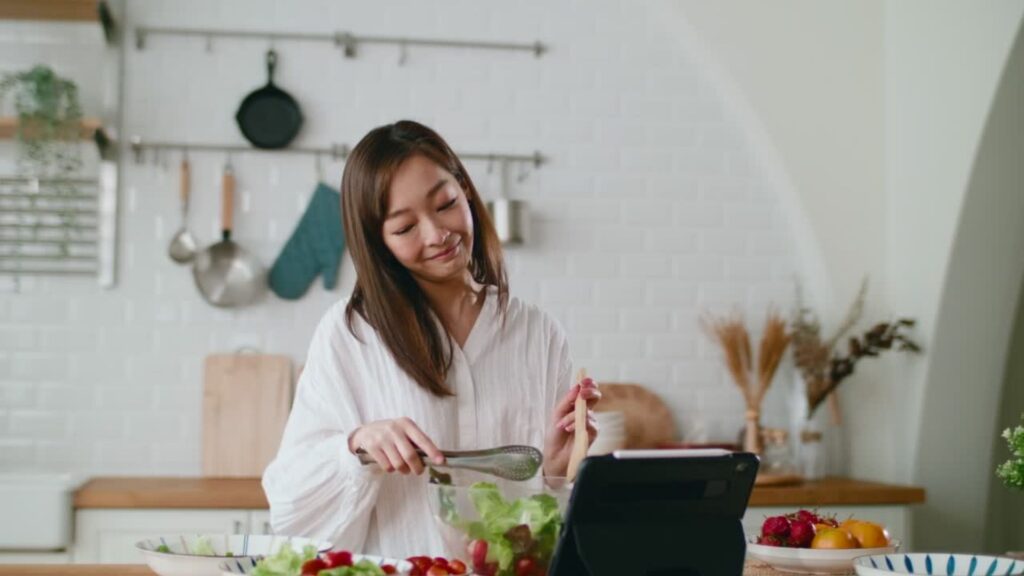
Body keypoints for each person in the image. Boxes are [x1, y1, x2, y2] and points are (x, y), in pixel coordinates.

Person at [262, 120, 600, 559]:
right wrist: (357, 448)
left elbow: (545, 521)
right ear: (377, 242)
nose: (437, 234)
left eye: (445, 204)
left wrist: (559, 466)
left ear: (465, 190)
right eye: (404, 228)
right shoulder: (351, 336)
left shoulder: (538, 333)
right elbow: (290, 508)